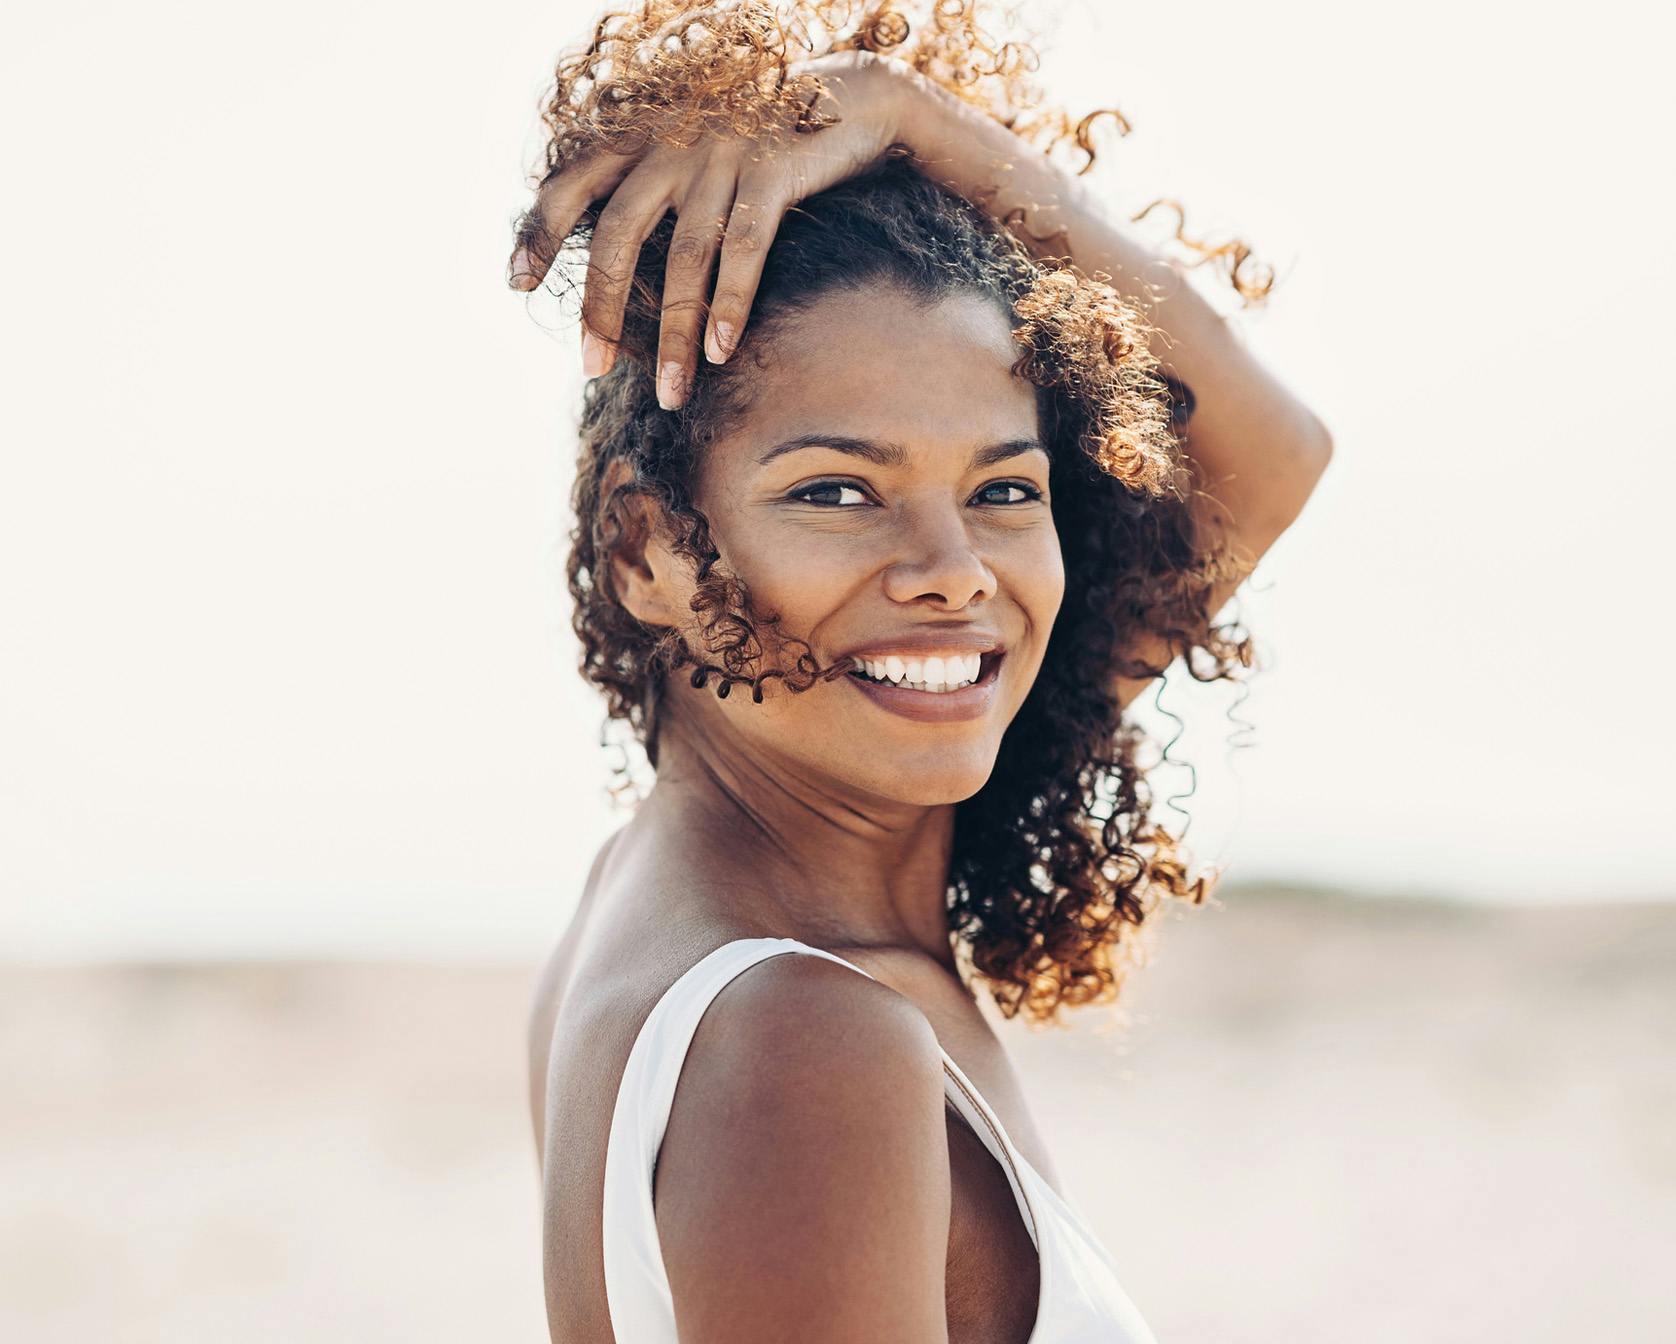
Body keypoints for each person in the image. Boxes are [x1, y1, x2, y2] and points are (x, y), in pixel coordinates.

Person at [508, 4, 1332, 1340]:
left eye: (1004, 489)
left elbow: (1270, 460)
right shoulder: (803, 1037)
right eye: (839, 491)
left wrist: (911, 117)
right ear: (644, 547)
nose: (953, 574)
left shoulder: (677, 893)